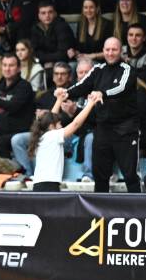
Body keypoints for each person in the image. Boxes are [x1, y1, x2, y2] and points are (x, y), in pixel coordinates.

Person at [57, 37, 140, 193]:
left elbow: (121, 87)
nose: (110, 53)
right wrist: (66, 93)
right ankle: (100, 207)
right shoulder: (98, 70)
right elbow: (82, 85)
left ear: (120, 51)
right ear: (103, 51)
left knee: (130, 175)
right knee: (100, 175)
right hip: (102, 128)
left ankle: (138, 206)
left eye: (114, 49)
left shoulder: (127, 69)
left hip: (125, 130)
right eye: (107, 49)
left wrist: (103, 93)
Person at [29, 91, 103, 191]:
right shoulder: (53, 135)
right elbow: (75, 124)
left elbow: (51, 117)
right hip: (48, 185)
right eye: (59, 124)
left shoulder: (42, 136)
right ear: (51, 126)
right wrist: (90, 104)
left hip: (39, 185)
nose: (61, 126)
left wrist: (59, 100)